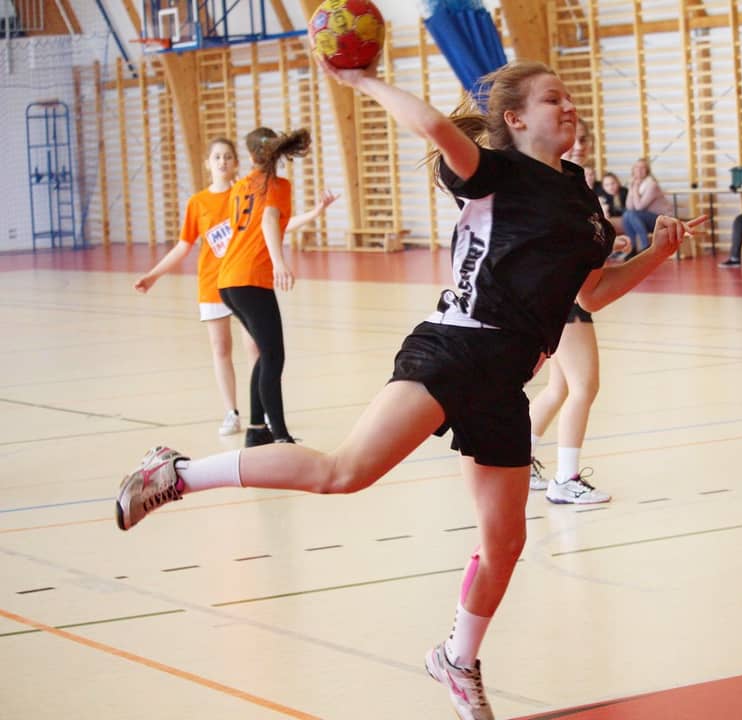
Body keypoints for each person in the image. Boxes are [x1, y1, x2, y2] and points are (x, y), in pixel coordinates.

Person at [114, 59, 705, 720]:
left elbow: (590, 293)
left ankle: (457, 659)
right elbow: (432, 126)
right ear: (515, 119)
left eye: (569, 97)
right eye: (552, 99)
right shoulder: (495, 172)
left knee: (505, 542)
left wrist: (656, 255)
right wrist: (361, 80)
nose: (568, 106)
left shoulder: (583, 201)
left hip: (506, 377)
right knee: (345, 472)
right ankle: (177, 473)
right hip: (456, 346)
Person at [133, 138, 338, 437]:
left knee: (258, 349)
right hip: (216, 282)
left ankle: (263, 417)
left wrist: (313, 214)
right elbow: (184, 246)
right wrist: (153, 275)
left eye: (228, 156)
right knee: (223, 348)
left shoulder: (244, 190)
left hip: (241, 280)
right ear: (207, 163)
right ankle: (234, 413)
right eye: (217, 157)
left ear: (238, 161)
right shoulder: (200, 202)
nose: (222, 161)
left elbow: (274, 222)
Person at [528, 122, 631, 506]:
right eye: (572, 137)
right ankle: (565, 479)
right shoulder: (551, 183)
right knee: (585, 387)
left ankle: (520, 463)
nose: (578, 144)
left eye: (584, 138)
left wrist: (607, 244)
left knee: (560, 388)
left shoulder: (574, 183)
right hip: (563, 294)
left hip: (561, 290)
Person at [219, 127, 312, 447]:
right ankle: (281, 436)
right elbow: (269, 220)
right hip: (251, 279)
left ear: (249, 156)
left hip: (228, 281)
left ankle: (257, 429)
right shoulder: (277, 185)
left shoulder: (239, 187)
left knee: (265, 354)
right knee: (273, 355)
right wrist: (278, 262)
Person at [622, 157, 674, 255]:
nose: (639, 170)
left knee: (631, 214)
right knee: (626, 214)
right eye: (637, 168)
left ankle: (645, 247)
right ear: (633, 170)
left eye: (643, 168)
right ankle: (633, 248)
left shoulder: (651, 185)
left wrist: (635, 188)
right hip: (647, 219)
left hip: (662, 219)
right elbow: (629, 207)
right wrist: (632, 188)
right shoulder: (636, 184)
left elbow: (639, 207)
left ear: (647, 171)